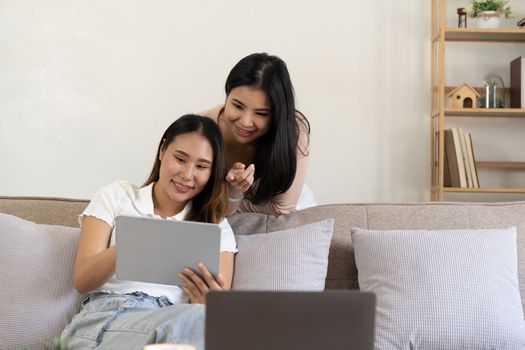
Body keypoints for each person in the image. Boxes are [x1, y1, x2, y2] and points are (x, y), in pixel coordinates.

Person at [60, 114, 237, 350]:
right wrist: (131, 245)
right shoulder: (116, 196)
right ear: (163, 150)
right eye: (180, 159)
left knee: (210, 323)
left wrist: (209, 303)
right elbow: (82, 280)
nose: (187, 175)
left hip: (175, 328)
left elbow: (214, 311)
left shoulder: (217, 228)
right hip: (104, 319)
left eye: (201, 166)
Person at [200, 52, 316, 215]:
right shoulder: (203, 129)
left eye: (261, 113)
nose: (246, 122)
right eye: (238, 106)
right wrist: (229, 198)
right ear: (227, 95)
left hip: (287, 212)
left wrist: (226, 200)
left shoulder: (293, 131)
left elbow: (282, 208)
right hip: (221, 211)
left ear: (277, 114)